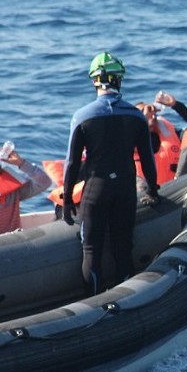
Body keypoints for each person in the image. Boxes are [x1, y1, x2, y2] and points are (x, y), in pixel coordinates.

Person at [63, 52, 159, 296]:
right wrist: (153, 189)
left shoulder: (83, 116)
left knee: (92, 250)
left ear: (94, 80)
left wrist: (66, 199)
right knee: (122, 249)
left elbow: (73, 163)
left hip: (97, 188)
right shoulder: (136, 115)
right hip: (125, 189)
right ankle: (126, 304)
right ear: (119, 80)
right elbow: (147, 159)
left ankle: (93, 306)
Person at [0, 145, 52, 236]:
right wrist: (11, 236)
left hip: (17, 243)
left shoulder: (12, 189)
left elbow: (45, 182)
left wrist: (21, 163)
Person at [134, 92, 187, 185]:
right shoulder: (130, 140)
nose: (148, 112)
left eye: (150, 110)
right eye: (142, 111)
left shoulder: (169, 132)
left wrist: (176, 105)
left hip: (175, 189)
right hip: (144, 195)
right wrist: (143, 118)